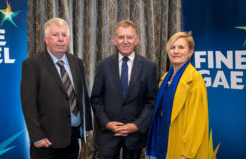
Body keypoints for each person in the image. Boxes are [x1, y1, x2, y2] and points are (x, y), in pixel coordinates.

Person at [20, 18, 92, 159]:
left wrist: (87, 124)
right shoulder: (32, 65)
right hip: (47, 141)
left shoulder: (77, 62)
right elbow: (28, 104)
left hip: (73, 137)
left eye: (64, 35)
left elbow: (83, 96)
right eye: (55, 35)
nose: (60, 39)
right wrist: (37, 136)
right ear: (46, 39)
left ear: (69, 39)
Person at [90, 19, 157, 159]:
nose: (125, 41)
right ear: (115, 40)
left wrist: (137, 125)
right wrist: (107, 123)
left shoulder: (148, 67)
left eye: (129, 37)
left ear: (136, 39)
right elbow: (96, 99)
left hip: (134, 136)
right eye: (121, 37)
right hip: (108, 136)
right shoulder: (104, 65)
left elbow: (151, 102)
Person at [145, 32, 209, 159]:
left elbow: (197, 121)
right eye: (172, 47)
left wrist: (187, 154)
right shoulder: (164, 79)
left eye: (181, 47)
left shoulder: (195, 79)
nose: (176, 51)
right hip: (163, 141)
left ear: (190, 52)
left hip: (183, 147)